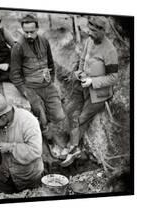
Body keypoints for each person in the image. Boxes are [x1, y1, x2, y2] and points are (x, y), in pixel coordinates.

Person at [62, 16, 119, 167]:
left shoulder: (110, 51)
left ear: (102, 31)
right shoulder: (89, 40)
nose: (90, 33)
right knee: (69, 110)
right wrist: (80, 72)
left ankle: (73, 149)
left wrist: (93, 81)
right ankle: (70, 141)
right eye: (89, 29)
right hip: (84, 85)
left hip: (99, 94)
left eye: (94, 31)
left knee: (82, 118)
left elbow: (113, 77)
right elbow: (82, 59)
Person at [10, 13, 69, 157]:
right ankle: (49, 140)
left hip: (47, 85)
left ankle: (58, 136)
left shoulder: (44, 41)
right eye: (26, 32)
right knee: (40, 114)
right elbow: (15, 75)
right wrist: (25, 91)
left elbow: (50, 63)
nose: (29, 35)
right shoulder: (18, 47)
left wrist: (52, 79)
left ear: (37, 28)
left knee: (59, 115)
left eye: (32, 32)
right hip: (31, 87)